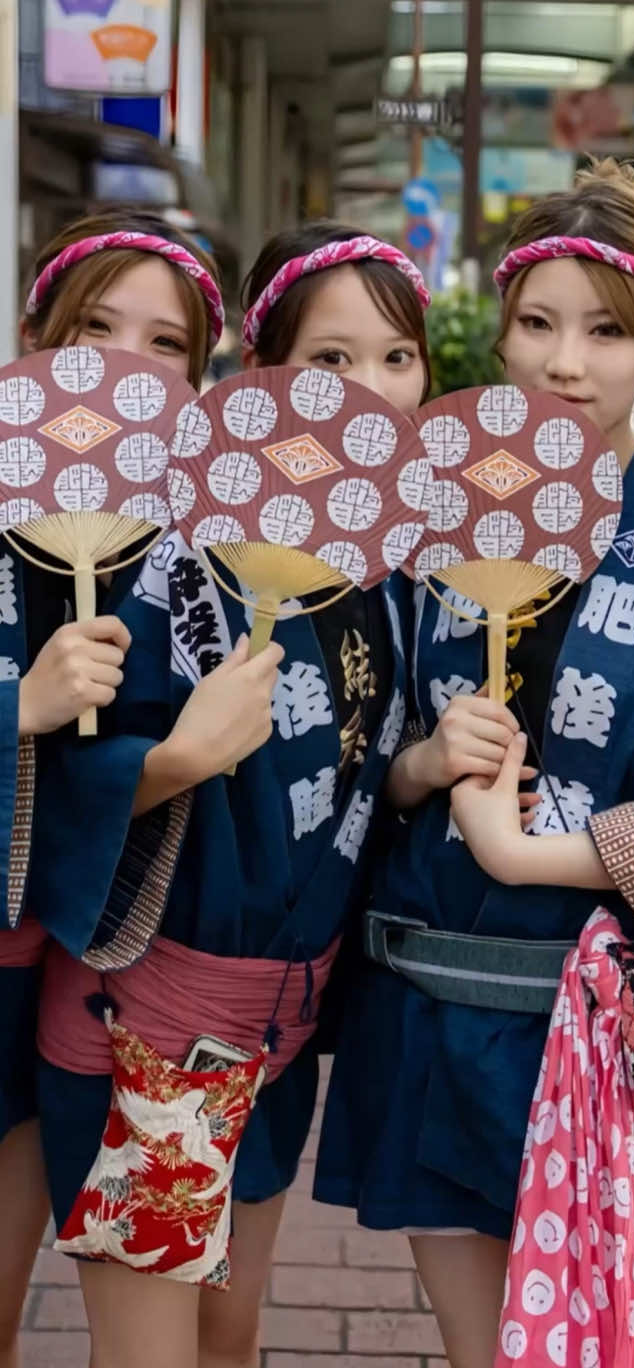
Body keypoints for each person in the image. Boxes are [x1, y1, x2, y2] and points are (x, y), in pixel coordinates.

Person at [314, 159, 634, 1368]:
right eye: (537, 324)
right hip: (430, 1017)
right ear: (500, 325)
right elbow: (347, 739)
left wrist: (519, 850)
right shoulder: (426, 507)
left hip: (606, 1048)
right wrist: (421, 770)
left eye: (606, 332)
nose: (565, 364)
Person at [34, 221, 430, 1368]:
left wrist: (422, 767)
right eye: (330, 361)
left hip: (276, 1034)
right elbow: (60, 772)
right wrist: (173, 760)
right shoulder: (154, 545)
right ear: (259, 373)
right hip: (150, 1035)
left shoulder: (386, 567)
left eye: (396, 358)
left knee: (229, 1330)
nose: (368, 391)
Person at [0, 208, 224, 1368]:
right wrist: (19, 709)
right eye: (97, 328)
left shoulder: (203, 549)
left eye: (167, 344)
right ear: (35, 336)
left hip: (94, 983)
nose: (129, 365)